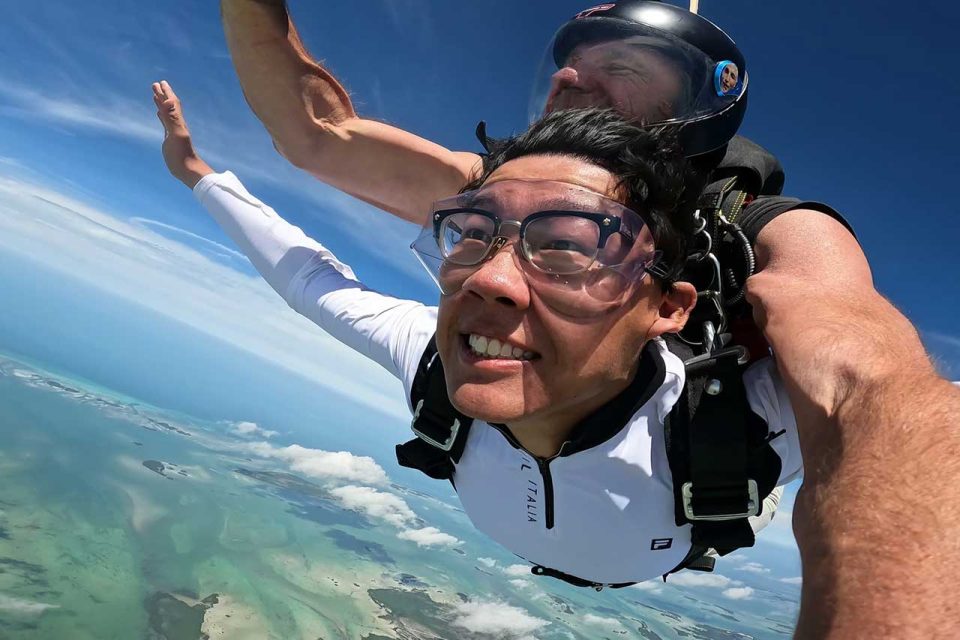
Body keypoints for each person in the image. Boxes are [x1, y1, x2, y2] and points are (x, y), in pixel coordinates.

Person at [219, 2, 960, 636]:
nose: (571, 80)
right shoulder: (504, 190)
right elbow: (315, 133)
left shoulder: (766, 230)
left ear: (693, 111)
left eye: (623, 70)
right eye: (565, 65)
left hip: (687, 472)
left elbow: (869, 387)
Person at [154, 80, 793, 588]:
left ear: (670, 306)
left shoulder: (735, 422)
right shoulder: (435, 363)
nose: (489, 280)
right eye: (471, 234)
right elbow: (311, 281)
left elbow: (880, 415)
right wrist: (199, 176)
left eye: (568, 249)